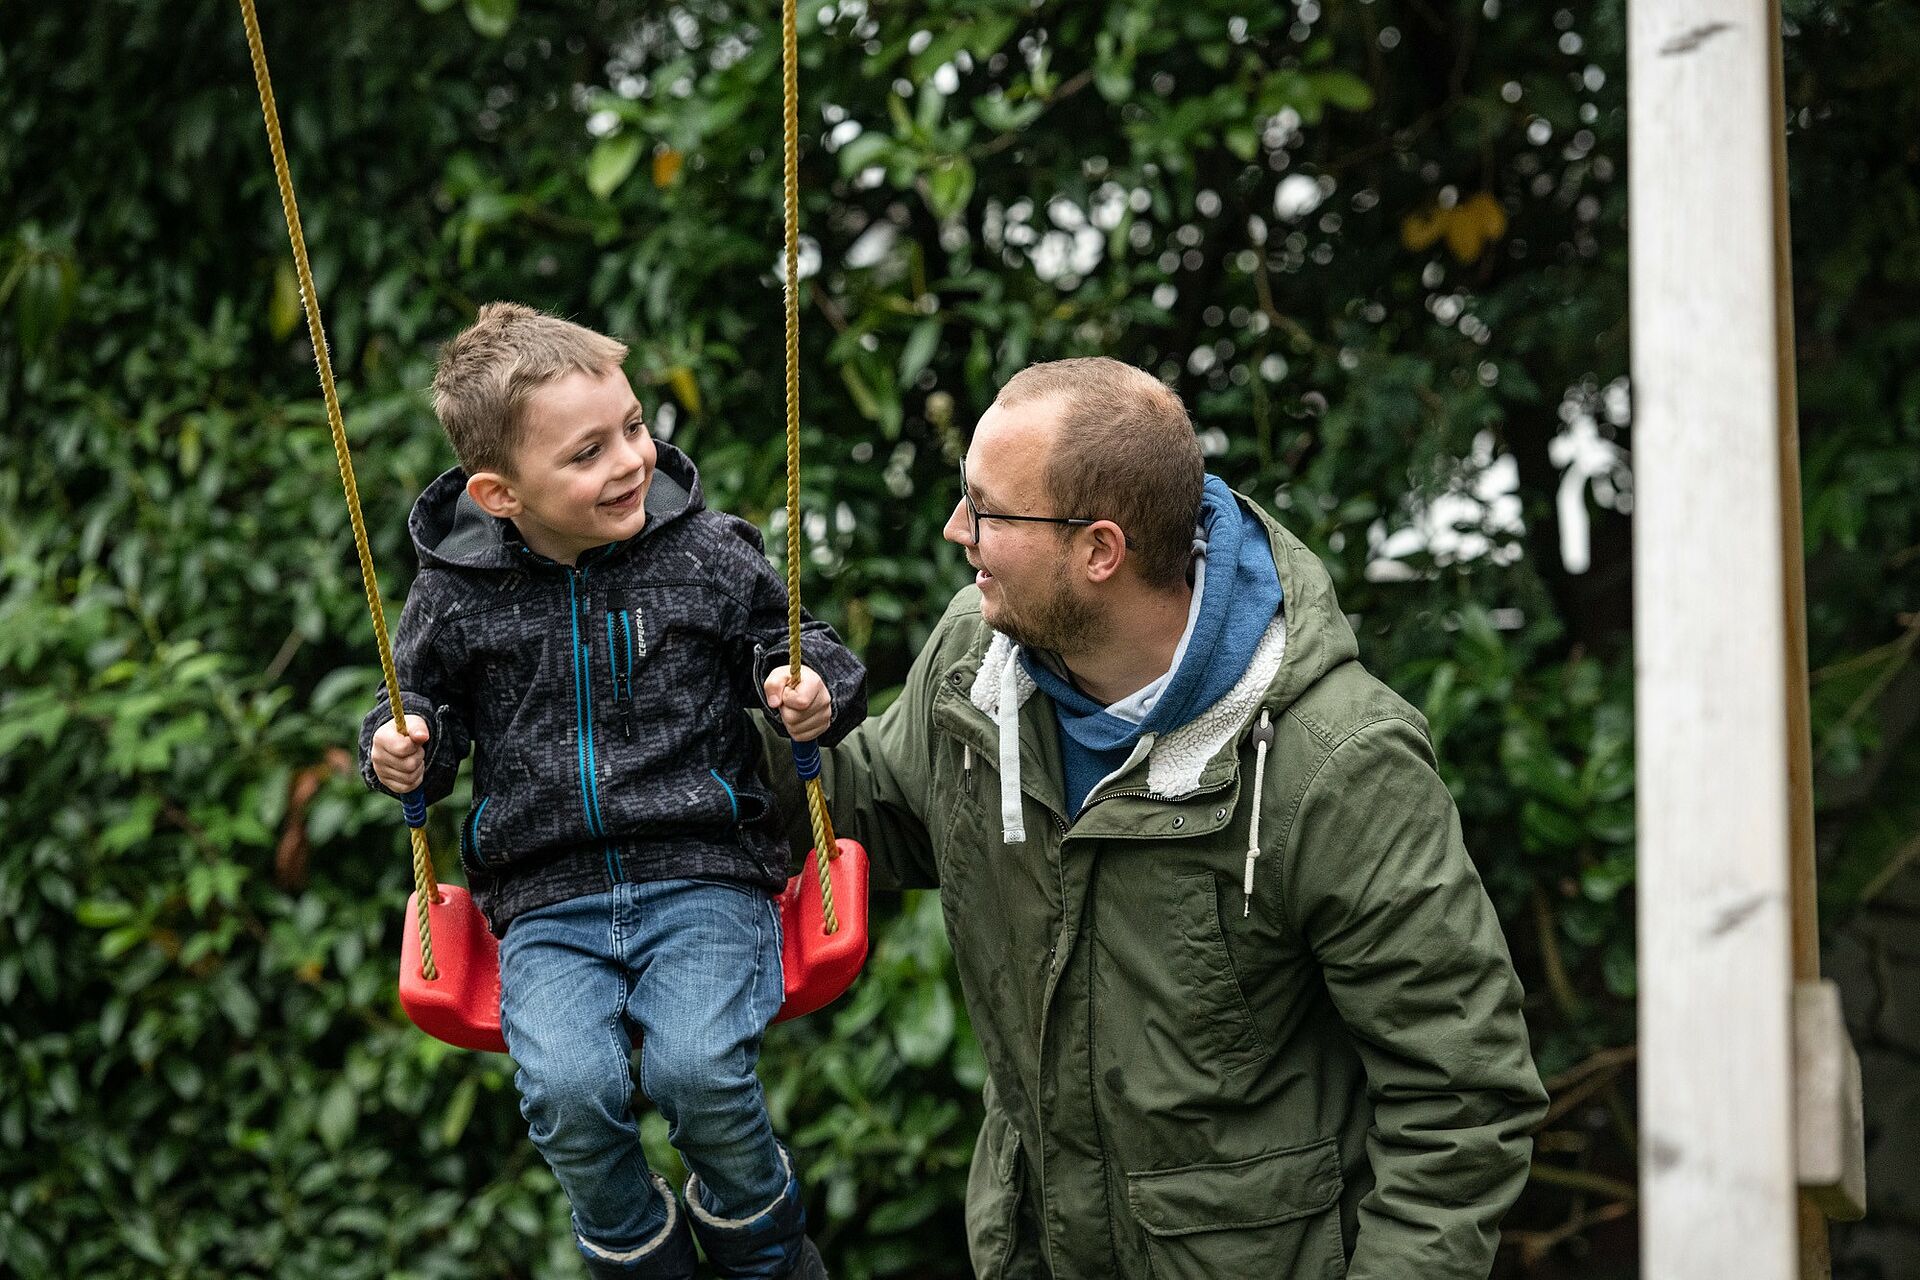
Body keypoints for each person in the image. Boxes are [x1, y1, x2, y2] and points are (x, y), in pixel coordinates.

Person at [762, 357, 1548, 1279]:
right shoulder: (974, 661)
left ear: (1101, 550)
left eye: (988, 511)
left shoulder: (1339, 762)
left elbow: (1461, 1096)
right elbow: (870, 808)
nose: (955, 531)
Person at [360, 303, 864, 1280]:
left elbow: (810, 653)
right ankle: (637, 1252)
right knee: (568, 1088)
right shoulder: (454, 594)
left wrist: (807, 691)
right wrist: (398, 748)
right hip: (545, 898)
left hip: (707, 867)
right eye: (588, 451)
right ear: (501, 492)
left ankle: (762, 1247)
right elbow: (416, 712)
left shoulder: (708, 552)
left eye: (632, 426)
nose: (631, 459)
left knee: (698, 1068)